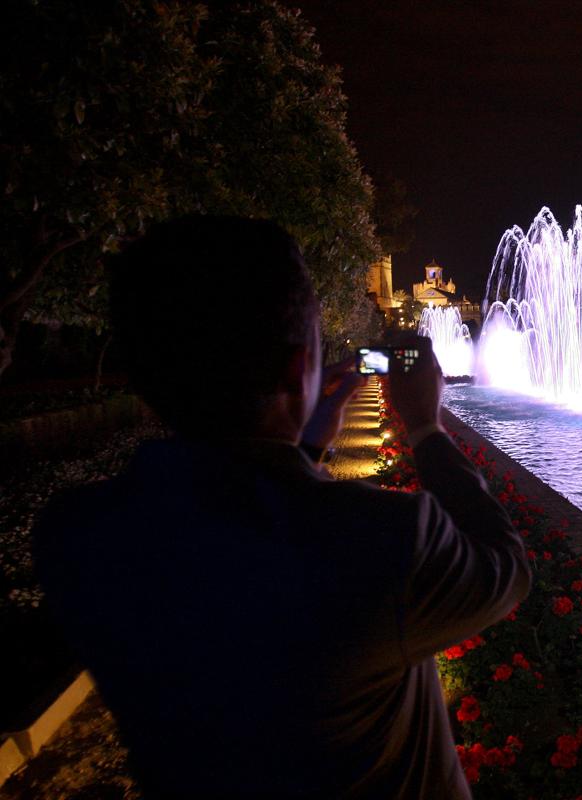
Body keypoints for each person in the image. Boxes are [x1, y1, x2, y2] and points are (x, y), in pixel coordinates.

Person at [33, 216, 531, 799]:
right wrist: (425, 426)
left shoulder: (77, 535)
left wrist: (304, 447)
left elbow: (243, 527)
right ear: (300, 370)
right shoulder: (379, 543)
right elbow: (505, 569)